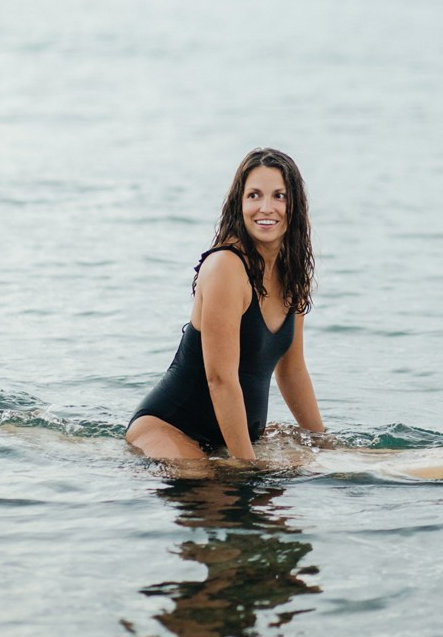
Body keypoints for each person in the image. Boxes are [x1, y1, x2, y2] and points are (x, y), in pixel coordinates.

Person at [125, 148, 325, 464]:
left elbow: (292, 369)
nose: (266, 207)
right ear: (240, 205)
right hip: (170, 428)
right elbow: (220, 378)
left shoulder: (292, 274)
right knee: (205, 481)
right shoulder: (225, 268)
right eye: (254, 195)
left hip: (229, 438)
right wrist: (247, 465)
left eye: (279, 196)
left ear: (295, 206)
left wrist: (322, 443)